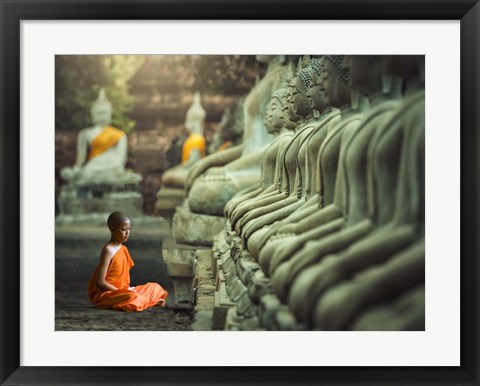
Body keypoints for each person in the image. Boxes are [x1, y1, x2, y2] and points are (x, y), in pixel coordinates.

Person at [87, 212, 168, 311]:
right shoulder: (108, 250)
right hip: (108, 293)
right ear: (112, 229)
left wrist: (128, 290)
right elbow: (100, 282)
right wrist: (121, 291)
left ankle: (145, 301)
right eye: (123, 229)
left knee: (155, 287)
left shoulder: (124, 249)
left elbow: (123, 280)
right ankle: (149, 302)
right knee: (133, 297)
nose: (127, 233)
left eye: (129, 229)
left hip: (125, 291)